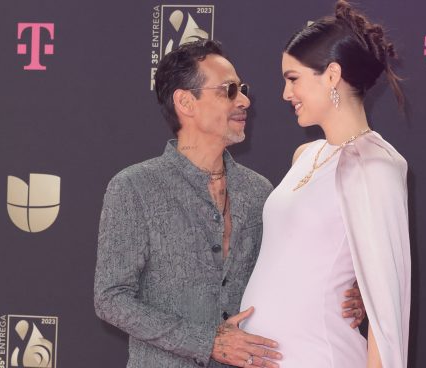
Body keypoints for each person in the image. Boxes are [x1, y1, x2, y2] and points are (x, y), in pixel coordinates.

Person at [94, 39, 365, 368]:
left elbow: (294, 270)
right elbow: (111, 299)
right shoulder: (134, 188)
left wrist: (352, 292)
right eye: (229, 90)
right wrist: (206, 341)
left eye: (243, 89)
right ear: (185, 102)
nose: (245, 101)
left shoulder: (260, 191)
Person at [240, 2, 411, 368]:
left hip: (319, 356)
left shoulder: (375, 164)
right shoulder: (305, 154)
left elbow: (387, 313)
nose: (286, 94)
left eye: (293, 78)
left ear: (332, 75)